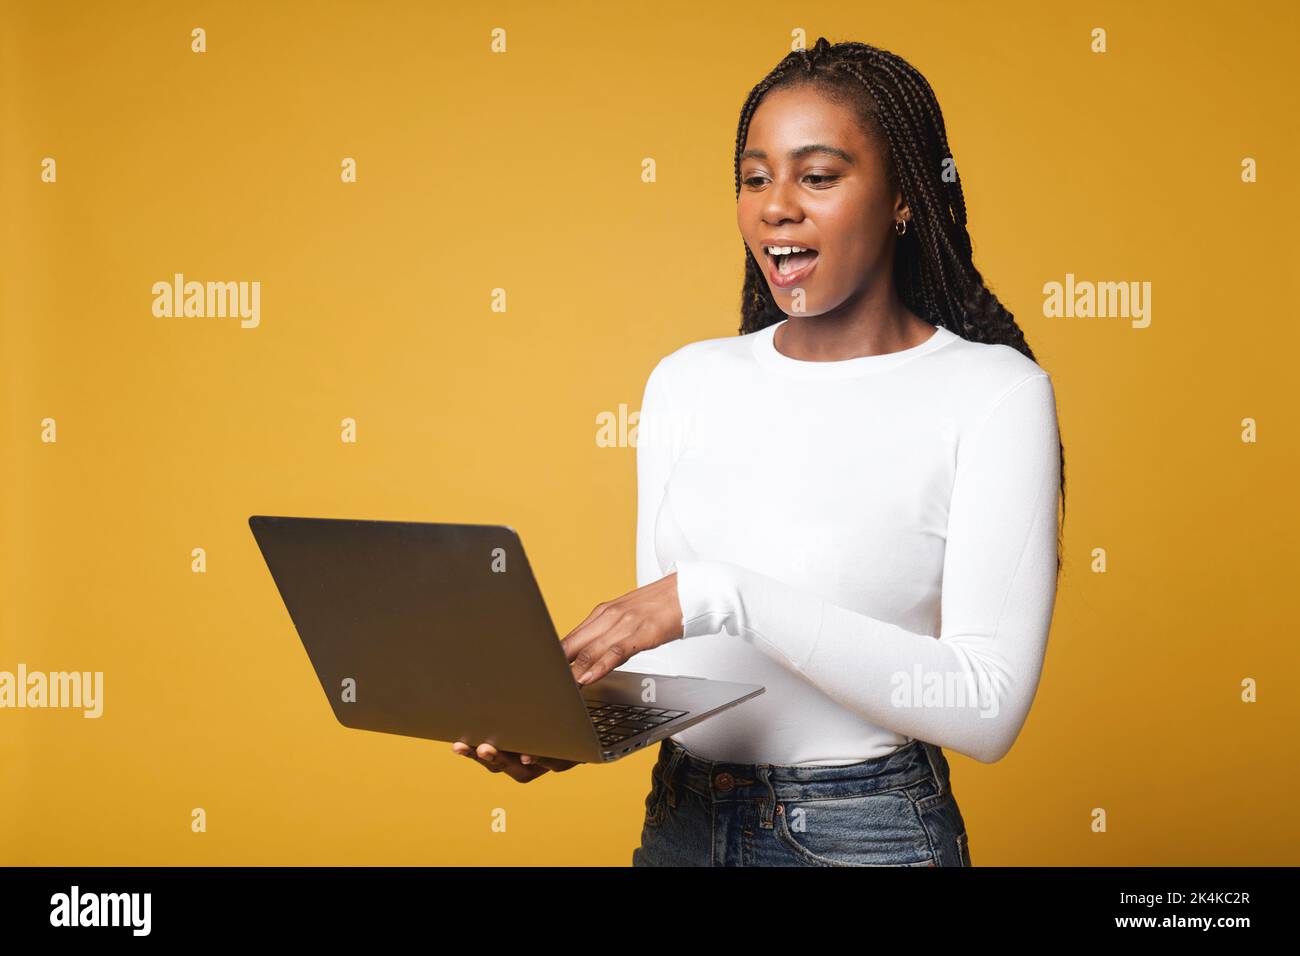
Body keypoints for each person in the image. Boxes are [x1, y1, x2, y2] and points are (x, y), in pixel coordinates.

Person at [453, 37, 1064, 868]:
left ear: (903, 199)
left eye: (817, 176)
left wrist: (719, 594)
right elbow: (679, 660)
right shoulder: (687, 381)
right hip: (681, 821)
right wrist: (575, 729)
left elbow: (987, 709)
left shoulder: (993, 393)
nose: (776, 205)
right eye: (754, 177)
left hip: (864, 835)